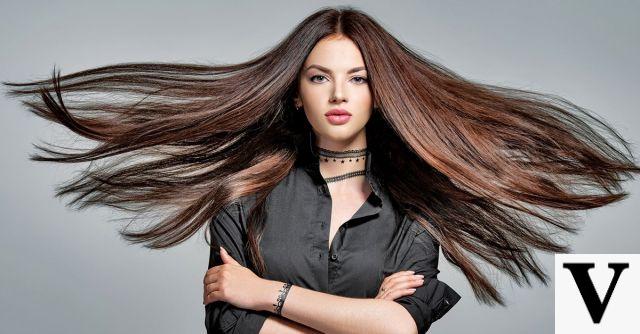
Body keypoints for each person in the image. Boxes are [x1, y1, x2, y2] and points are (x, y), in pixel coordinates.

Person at [3, 5, 639, 334]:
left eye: (358, 79)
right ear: (296, 94)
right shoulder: (244, 199)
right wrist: (353, 320)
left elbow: (395, 332)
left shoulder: (413, 215)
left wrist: (266, 296)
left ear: (378, 95)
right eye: (319, 77)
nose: (338, 94)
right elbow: (232, 328)